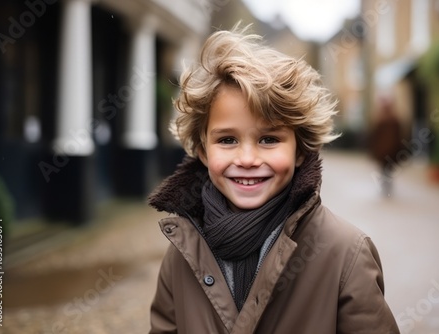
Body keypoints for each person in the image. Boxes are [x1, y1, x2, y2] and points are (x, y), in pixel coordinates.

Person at [147, 25, 399, 333]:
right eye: (227, 140)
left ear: (300, 151)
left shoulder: (345, 254)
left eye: (269, 139)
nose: (248, 159)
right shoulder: (181, 256)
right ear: (202, 151)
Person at [368, 96, 404, 197]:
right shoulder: (393, 120)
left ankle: (386, 189)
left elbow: (374, 137)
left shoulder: (383, 120)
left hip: (385, 151)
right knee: (387, 170)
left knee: (385, 170)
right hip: (389, 151)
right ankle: (387, 188)